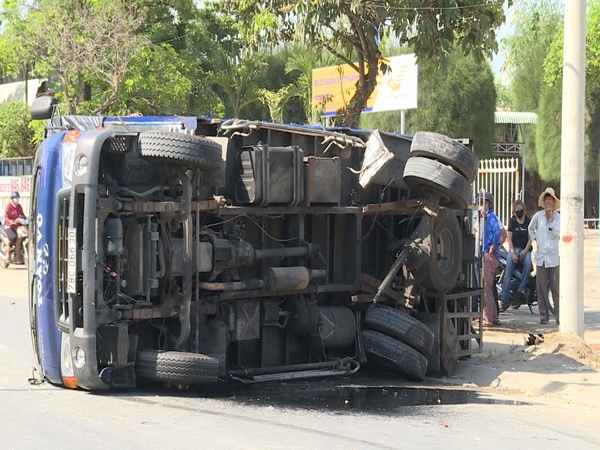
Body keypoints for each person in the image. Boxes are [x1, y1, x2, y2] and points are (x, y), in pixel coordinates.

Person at [528, 187, 560, 325]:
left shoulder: (558, 217)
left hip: (553, 256)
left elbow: (558, 232)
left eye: (550, 199)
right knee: (541, 288)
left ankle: (558, 315)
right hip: (541, 257)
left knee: (555, 288)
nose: (548, 201)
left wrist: (552, 219)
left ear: (553, 201)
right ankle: (543, 315)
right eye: (546, 199)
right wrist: (535, 240)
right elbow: (530, 228)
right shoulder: (538, 216)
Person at [499, 199, 533, 312]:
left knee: (528, 263)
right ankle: (504, 302)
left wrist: (525, 251)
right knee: (507, 274)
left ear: (524, 210)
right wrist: (513, 253)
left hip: (525, 249)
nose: (519, 212)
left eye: (521, 209)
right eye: (516, 210)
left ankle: (521, 288)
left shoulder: (528, 221)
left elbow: (530, 239)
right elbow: (509, 239)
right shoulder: (512, 222)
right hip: (514, 249)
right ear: (513, 212)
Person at [478, 192, 502, 326]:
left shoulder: (491, 217)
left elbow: (497, 231)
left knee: (486, 288)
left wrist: (493, 244)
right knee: (488, 288)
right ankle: (493, 317)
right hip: (486, 253)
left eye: (484, 203)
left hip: (489, 254)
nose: (482, 206)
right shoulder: (485, 218)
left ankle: (487, 319)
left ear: (489, 204)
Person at [3, 191, 26, 264]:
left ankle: (19, 256)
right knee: (14, 237)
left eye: (17, 198)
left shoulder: (19, 206)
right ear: (12, 199)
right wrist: (10, 221)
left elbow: (23, 215)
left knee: (23, 236)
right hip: (9, 226)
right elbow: (6, 216)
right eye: (15, 198)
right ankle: (7, 255)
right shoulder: (9, 206)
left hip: (17, 226)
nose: (17, 199)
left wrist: (25, 220)